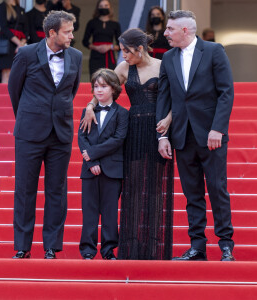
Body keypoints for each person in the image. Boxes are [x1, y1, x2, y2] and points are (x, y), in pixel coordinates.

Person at [81, 28, 174, 260]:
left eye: (126, 51)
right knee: (131, 188)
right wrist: (91, 106)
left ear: (140, 49)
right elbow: (106, 86)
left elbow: (177, 97)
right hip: (132, 131)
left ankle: (153, 245)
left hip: (157, 130)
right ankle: (130, 246)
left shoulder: (162, 66)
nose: (123, 56)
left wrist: (169, 120)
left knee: (154, 189)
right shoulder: (123, 68)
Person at [156, 10, 235, 261]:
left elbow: (226, 92)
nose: (165, 33)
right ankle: (197, 246)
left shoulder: (214, 51)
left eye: (170, 29)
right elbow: (164, 97)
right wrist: (163, 136)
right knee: (192, 194)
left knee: (217, 189)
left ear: (185, 30)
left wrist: (218, 128)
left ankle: (225, 245)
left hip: (211, 135)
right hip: (182, 135)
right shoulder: (168, 58)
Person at [8, 11, 82, 259]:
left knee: (57, 191)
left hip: (60, 133)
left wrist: (55, 115)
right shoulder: (27, 54)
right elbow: (14, 90)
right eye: (67, 31)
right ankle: (23, 246)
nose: (72, 35)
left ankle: (51, 246)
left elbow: (70, 92)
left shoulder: (76, 56)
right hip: (30, 132)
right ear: (52, 33)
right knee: (25, 189)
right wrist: (31, 117)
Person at [78, 68, 129, 260]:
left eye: (103, 86)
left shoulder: (122, 114)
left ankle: (108, 250)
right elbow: (82, 138)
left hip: (113, 170)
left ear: (114, 88)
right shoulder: (87, 111)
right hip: (90, 169)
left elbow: (118, 139)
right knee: (89, 212)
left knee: (110, 213)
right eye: (96, 86)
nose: (98, 90)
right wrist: (92, 161)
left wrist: (92, 153)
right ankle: (88, 250)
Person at [82, 0, 121, 77]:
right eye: (101, 6)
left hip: (109, 56)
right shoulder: (92, 23)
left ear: (110, 7)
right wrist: (96, 47)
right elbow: (85, 41)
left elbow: (120, 44)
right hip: (95, 56)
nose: (104, 8)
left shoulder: (115, 24)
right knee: (95, 78)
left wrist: (110, 47)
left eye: (106, 6)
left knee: (110, 79)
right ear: (98, 8)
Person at [0, 0, 29, 83]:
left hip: (20, 44)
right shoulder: (2, 6)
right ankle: (4, 96)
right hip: (7, 44)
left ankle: (14, 96)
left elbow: (26, 30)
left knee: (19, 74)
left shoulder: (21, 9)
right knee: (7, 73)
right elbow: (4, 27)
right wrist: (19, 43)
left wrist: (21, 44)